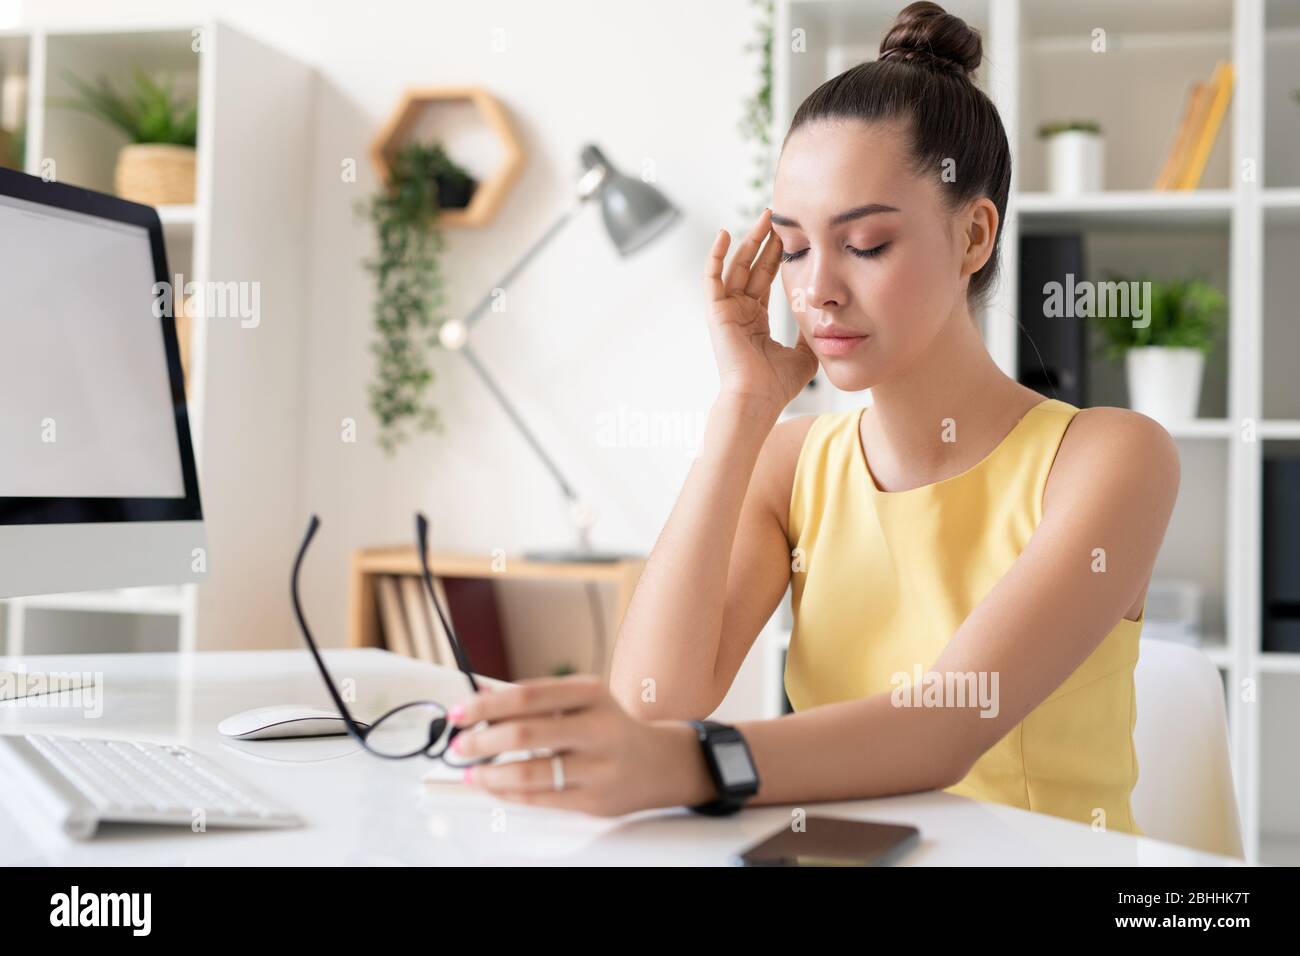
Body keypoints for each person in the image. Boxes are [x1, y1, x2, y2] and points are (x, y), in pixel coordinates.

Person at [448, 1, 1177, 834]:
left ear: (974, 236)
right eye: (793, 247)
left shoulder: (1111, 458)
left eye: (865, 244)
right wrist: (744, 408)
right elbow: (654, 702)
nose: (815, 289)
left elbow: (941, 729)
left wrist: (688, 763)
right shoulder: (793, 463)